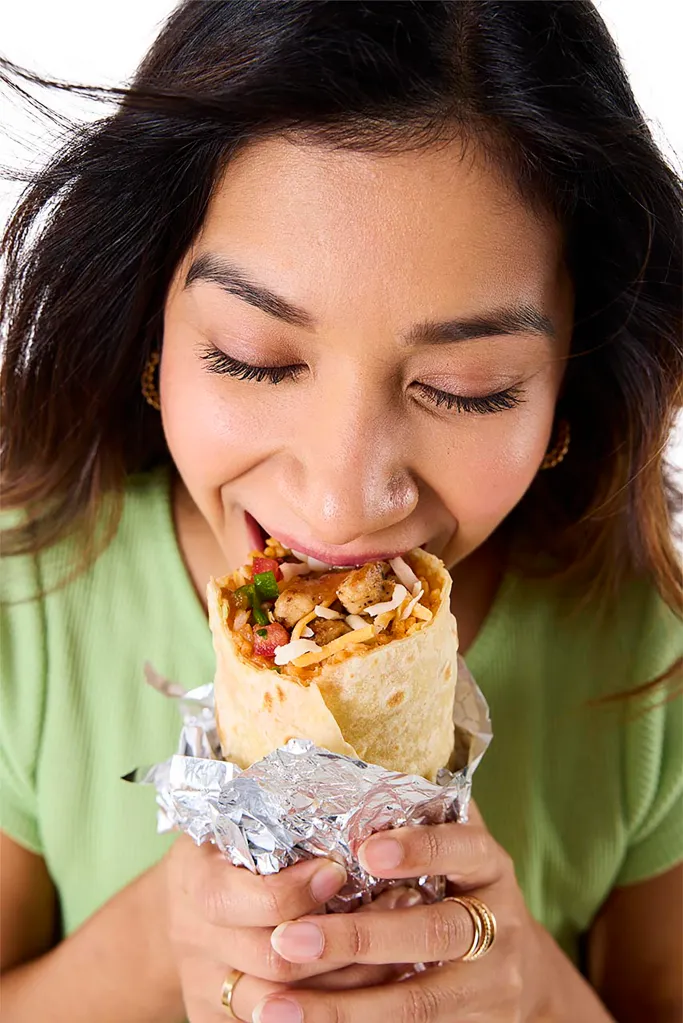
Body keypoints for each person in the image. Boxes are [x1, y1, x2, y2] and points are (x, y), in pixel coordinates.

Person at [1, 2, 681, 1021]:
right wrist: (155, 940)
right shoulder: (26, 604)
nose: (343, 501)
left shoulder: (643, 656)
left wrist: (538, 996)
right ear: (151, 329)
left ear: (563, 404)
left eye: (464, 388)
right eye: (253, 358)